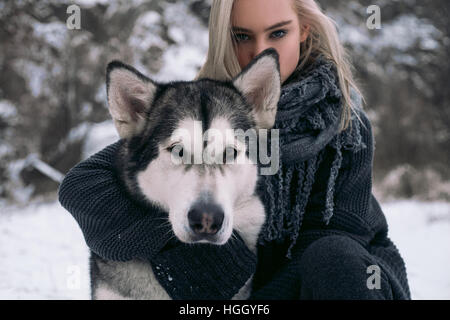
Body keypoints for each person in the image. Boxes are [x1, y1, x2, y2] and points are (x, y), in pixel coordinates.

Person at [58, 0, 411, 300]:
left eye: (278, 33)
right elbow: (83, 184)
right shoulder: (202, 106)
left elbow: (330, 246)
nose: (260, 51)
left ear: (305, 29)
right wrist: (170, 245)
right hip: (249, 281)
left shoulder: (346, 124)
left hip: (344, 277)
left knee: (334, 257)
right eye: (242, 36)